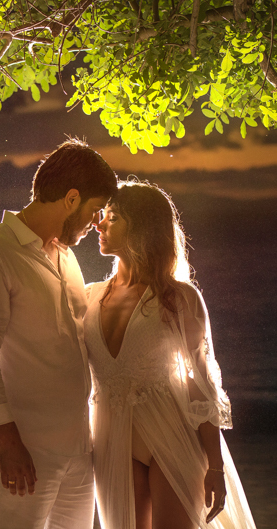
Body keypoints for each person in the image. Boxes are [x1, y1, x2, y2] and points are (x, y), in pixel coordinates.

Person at [0, 138, 118, 529]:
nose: (97, 222)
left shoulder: (68, 258)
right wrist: (9, 443)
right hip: (23, 448)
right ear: (71, 198)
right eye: (94, 209)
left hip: (78, 451)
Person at [86, 180, 257, 529]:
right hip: (111, 439)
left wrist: (215, 465)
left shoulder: (179, 298)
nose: (99, 225)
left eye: (113, 218)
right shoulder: (87, 297)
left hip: (172, 434)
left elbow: (202, 385)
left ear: (142, 228)